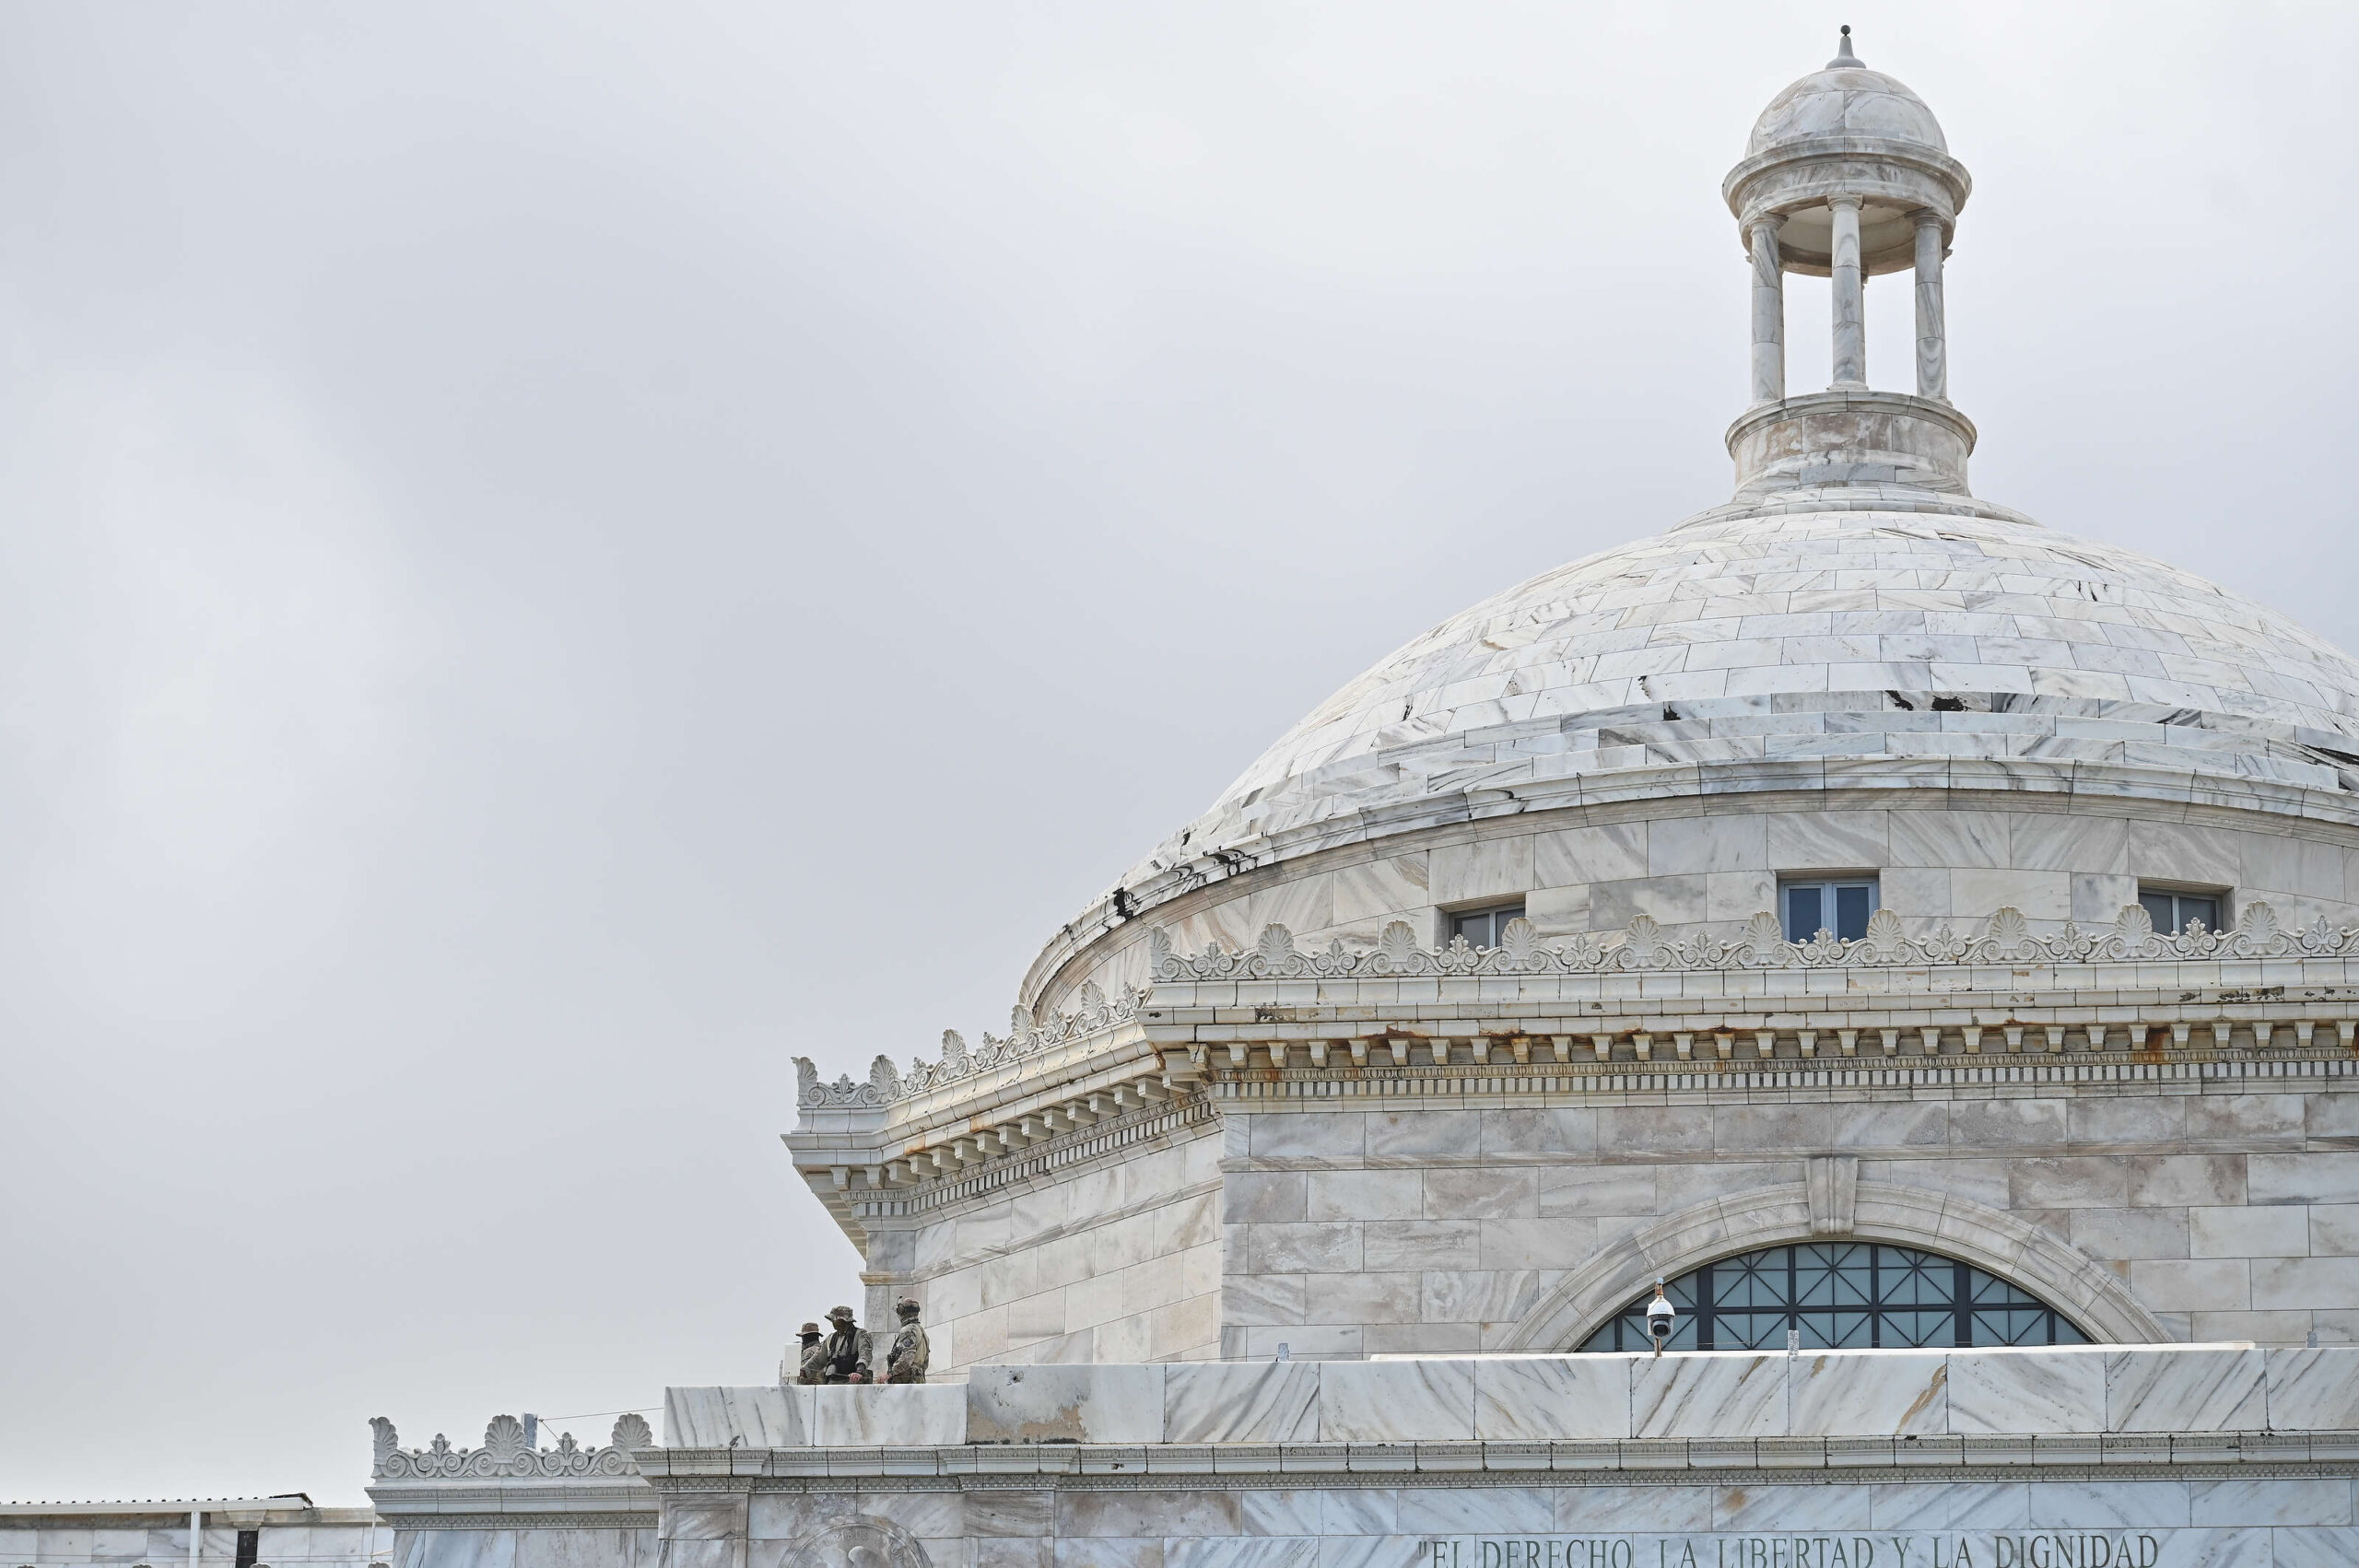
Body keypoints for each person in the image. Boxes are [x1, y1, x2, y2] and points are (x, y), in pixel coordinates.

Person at [818, 1305, 873, 1384]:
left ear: (844, 1320)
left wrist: (859, 1372)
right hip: (833, 1382)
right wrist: (804, 1370)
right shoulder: (831, 1338)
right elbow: (818, 1359)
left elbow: (865, 1355)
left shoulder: (860, 1335)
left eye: (835, 1319)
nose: (833, 1321)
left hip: (853, 1382)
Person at [884, 1299, 929, 1385]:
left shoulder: (908, 1330)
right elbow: (925, 1362)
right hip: (918, 1381)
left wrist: (890, 1374)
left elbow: (907, 1357)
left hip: (905, 1383)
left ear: (904, 1312)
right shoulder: (922, 1332)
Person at [791, 1321, 826, 1386]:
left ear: (806, 1337)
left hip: (811, 1389)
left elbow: (804, 1377)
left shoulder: (809, 1351)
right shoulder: (822, 1350)